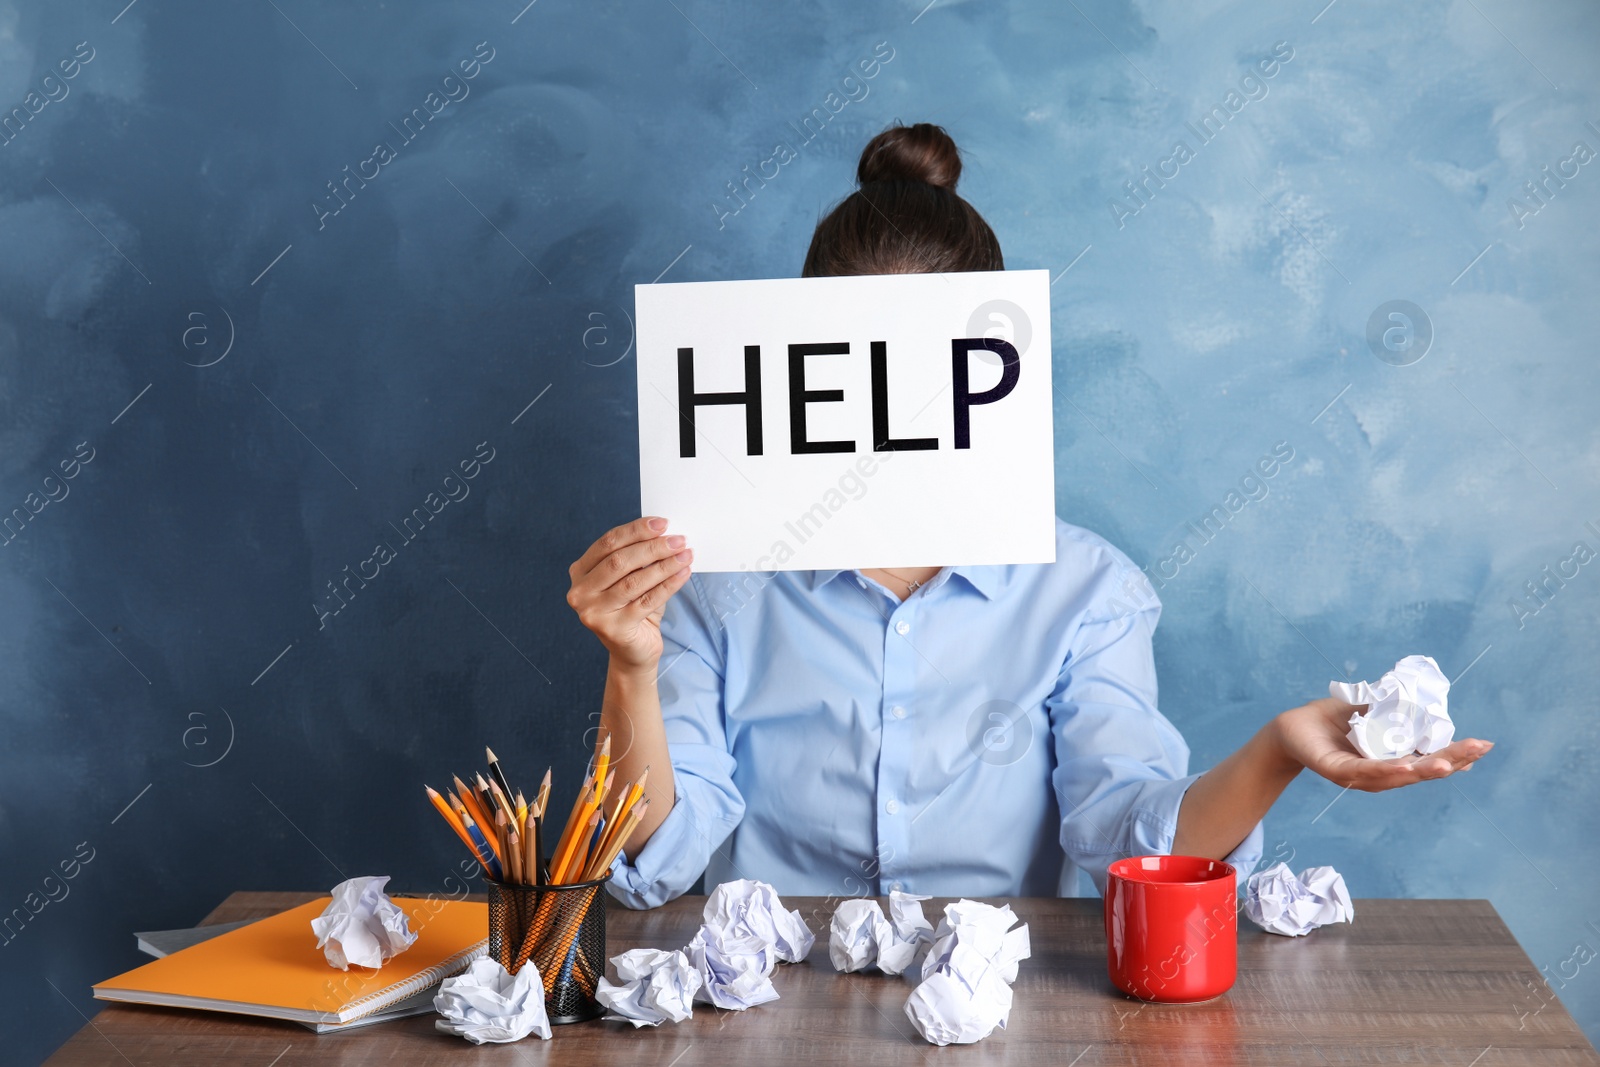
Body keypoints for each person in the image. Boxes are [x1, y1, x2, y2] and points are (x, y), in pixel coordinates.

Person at [566, 123, 1493, 909]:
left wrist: (1276, 753)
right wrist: (631, 667)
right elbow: (658, 860)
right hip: (766, 1005)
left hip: (1000, 1012)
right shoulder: (711, 584)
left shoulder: (1086, 591)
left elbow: (1127, 834)